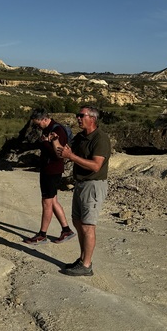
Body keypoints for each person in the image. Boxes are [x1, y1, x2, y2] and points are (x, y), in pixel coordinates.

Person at [58, 105, 111, 276]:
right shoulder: (81, 137)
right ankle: (82, 259)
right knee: (78, 222)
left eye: (81, 115)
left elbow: (96, 166)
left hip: (93, 185)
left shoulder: (100, 139)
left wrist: (71, 157)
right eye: (77, 115)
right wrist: (53, 140)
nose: (78, 118)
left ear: (92, 118)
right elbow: (63, 152)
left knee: (88, 226)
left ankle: (87, 265)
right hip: (81, 184)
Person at [23, 108, 75, 246]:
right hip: (50, 170)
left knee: (47, 203)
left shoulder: (56, 131)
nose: (37, 126)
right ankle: (66, 230)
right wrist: (44, 141)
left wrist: (45, 142)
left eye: (37, 123)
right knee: (53, 201)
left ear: (44, 119)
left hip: (52, 170)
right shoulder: (50, 129)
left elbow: (58, 154)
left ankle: (42, 235)